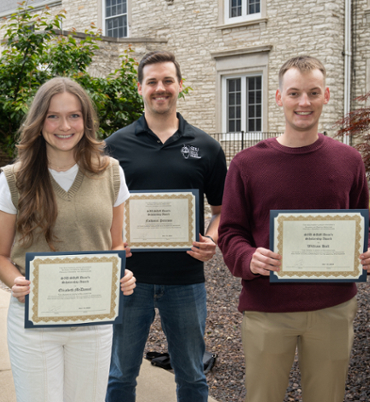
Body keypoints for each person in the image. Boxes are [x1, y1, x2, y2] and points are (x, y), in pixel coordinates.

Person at [217, 55, 370, 401]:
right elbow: (230, 231)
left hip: (333, 307)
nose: (304, 103)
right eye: (294, 93)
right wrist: (248, 257)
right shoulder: (247, 164)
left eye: (312, 93)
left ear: (326, 95)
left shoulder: (349, 160)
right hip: (266, 307)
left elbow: (362, 224)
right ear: (279, 98)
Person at [0, 77, 136, 402]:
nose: (64, 125)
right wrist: (16, 283)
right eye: (53, 116)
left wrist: (119, 273)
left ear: (86, 120)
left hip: (93, 319)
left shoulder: (111, 172)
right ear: (39, 121)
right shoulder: (14, 179)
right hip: (34, 319)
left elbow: (116, 244)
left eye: (74, 115)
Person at [105, 51, 227, 402]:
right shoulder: (114, 147)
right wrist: (112, 242)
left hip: (185, 280)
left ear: (179, 86)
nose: (161, 88)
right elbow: (100, 208)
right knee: (120, 375)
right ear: (140, 87)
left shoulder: (206, 147)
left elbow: (221, 210)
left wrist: (212, 240)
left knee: (191, 375)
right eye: (153, 82)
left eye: (168, 81)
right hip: (130, 280)